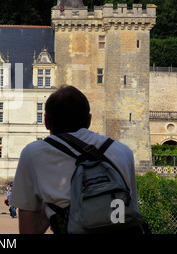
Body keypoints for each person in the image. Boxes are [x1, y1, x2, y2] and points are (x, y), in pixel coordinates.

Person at [10, 85, 139, 234]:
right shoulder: (123, 151)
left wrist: (53, 207)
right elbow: (132, 209)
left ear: (46, 121)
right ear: (89, 120)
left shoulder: (33, 153)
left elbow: (29, 231)